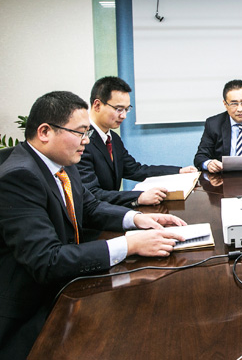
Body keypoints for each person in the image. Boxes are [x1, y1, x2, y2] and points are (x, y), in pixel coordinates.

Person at [0, 91, 187, 359]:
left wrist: (136, 218)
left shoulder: (62, 161)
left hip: (65, 285)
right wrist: (129, 244)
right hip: (30, 311)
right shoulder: (19, 177)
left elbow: (89, 206)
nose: (86, 141)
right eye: (80, 132)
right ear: (45, 132)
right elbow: (46, 260)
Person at [77, 76, 197, 208]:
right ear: (97, 105)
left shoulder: (113, 138)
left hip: (110, 210)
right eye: (118, 109)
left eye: (126, 109)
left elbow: (136, 170)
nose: (123, 115)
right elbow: (91, 193)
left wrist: (178, 171)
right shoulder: (82, 141)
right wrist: (138, 197)